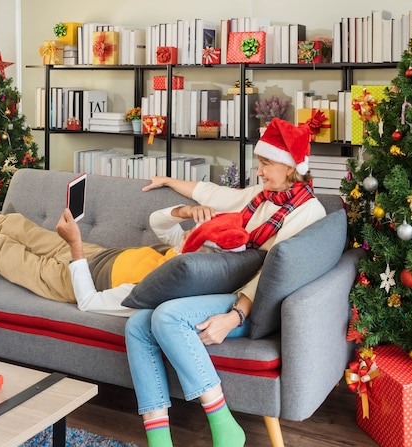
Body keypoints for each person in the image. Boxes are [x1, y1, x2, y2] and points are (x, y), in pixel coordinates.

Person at [124, 117, 327, 447]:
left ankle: (225, 426)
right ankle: (160, 441)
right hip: (228, 290)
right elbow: (213, 193)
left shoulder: (307, 212)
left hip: (254, 305)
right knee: (137, 324)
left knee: (168, 316)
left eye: (265, 164)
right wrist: (169, 181)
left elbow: (273, 274)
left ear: (290, 168)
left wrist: (234, 317)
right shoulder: (261, 196)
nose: (259, 171)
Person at [0, 169, 250, 317]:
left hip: (72, 281)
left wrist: (74, 245)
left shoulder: (165, 287)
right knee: (15, 224)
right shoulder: (183, 252)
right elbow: (157, 221)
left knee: (2, 250)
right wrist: (188, 209)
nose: (190, 236)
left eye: (198, 238)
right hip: (96, 254)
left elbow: (89, 302)